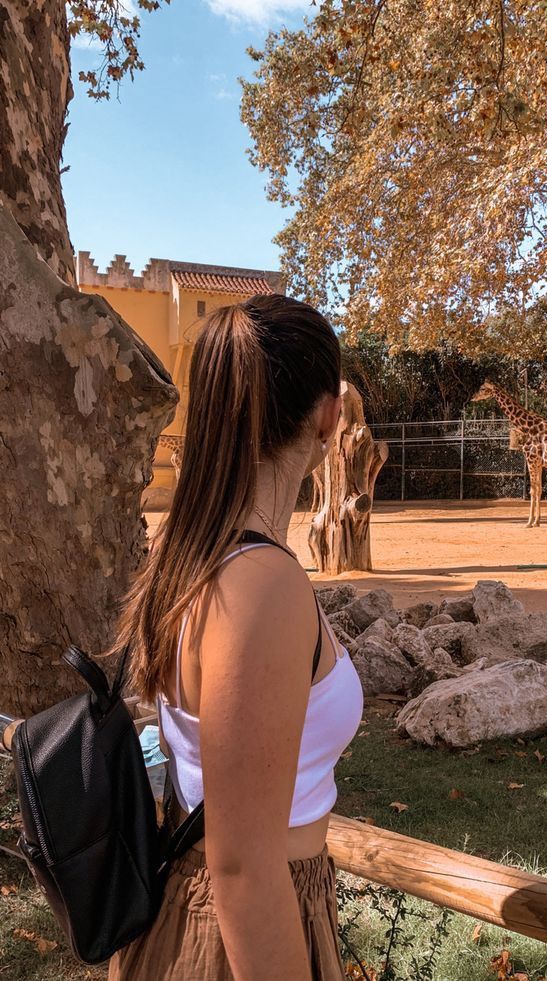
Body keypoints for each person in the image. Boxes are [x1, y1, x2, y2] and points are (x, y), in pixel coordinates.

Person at [108, 295, 363, 980]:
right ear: (329, 415)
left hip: (195, 905)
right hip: (248, 928)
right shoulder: (264, 584)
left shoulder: (190, 556)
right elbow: (245, 864)